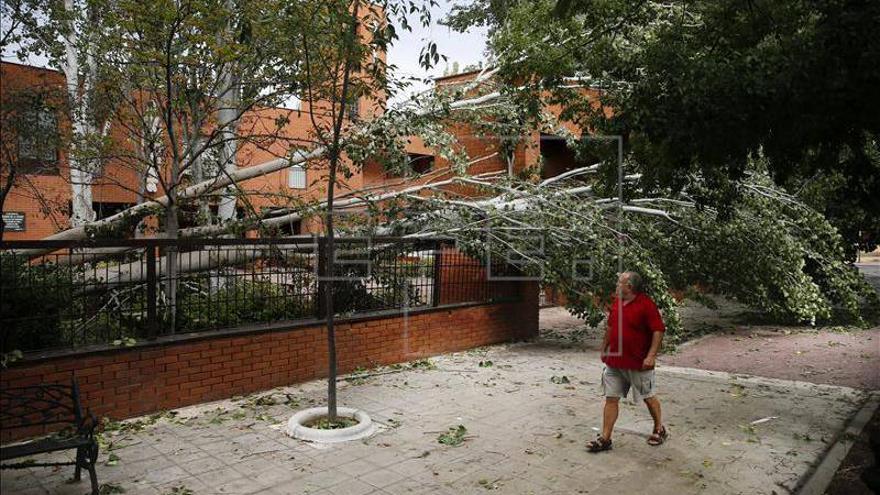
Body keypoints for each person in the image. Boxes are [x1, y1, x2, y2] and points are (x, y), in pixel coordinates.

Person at [587, 271, 668, 453]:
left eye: (619, 283)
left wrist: (651, 355)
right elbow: (610, 326)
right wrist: (604, 347)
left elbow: (658, 330)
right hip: (615, 361)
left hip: (638, 362)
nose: (617, 285)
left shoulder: (646, 305)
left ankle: (659, 429)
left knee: (648, 397)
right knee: (611, 398)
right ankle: (605, 438)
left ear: (629, 287)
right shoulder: (617, 302)